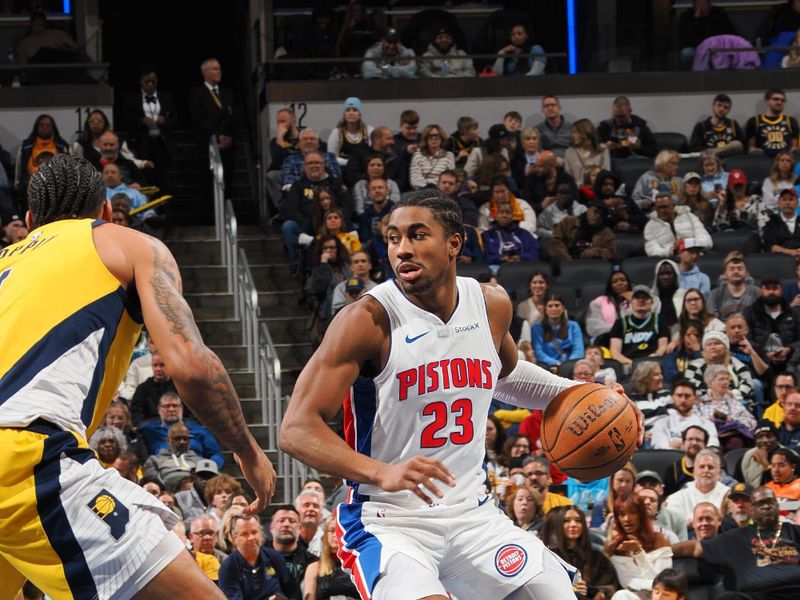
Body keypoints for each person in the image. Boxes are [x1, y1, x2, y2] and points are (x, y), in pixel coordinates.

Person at [280, 189, 644, 599]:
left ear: (455, 243)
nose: (402, 250)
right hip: (390, 520)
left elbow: (505, 376)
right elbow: (296, 429)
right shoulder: (366, 319)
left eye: (418, 235)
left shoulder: (489, 304)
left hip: (474, 516)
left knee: (555, 593)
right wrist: (381, 471)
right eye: (394, 238)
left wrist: (593, 396)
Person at [0, 154, 275, 599]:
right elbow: (189, 366)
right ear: (106, 212)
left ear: (31, 222)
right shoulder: (127, 244)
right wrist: (246, 449)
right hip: (26, 455)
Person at [671, 486, 800, 598]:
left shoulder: (794, 531)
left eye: (770, 502)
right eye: (760, 504)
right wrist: (661, 550)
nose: (766, 507)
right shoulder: (738, 537)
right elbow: (695, 548)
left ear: (777, 505)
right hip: (757, 596)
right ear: (752, 510)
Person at [539, 506, 620, 600]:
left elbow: (611, 587)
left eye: (578, 520)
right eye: (566, 520)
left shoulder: (597, 558)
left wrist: (592, 591)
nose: (573, 524)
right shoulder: (550, 557)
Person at [604, 493, 673, 599]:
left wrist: (638, 552)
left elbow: (662, 582)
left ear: (641, 514)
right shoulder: (617, 548)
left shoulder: (659, 540)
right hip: (634, 596)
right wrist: (651, 585)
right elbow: (627, 582)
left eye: (632, 512)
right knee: (621, 595)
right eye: (621, 514)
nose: (627, 519)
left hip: (662, 597)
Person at [120, 66, 177, 191]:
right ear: (141, 82)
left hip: (162, 143)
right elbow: (126, 120)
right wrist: (141, 121)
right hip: (143, 144)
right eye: (147, 82)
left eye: (153, 82)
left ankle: (165, 209)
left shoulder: (166, 97)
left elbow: (175, 119)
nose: (150, 85)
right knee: (147, 177)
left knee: (164, 179)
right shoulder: (131, 98)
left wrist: (165, 121)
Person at [218, 514, 300, 600]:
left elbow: (293, 591)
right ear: (234, 538)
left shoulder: (274, 557)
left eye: (254, 532)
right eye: (245, 534)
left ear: (261, 533)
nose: (251, 538)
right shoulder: (228, 567)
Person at [139, 392, 223, 467]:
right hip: (163, 470)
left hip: (195, 469)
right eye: (166, 406)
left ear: (181, 408)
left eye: (175, 406)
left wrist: (208, 468)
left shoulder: (199, 430)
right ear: (158, 409)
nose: (171, 409)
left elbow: (216, 454)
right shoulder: (148, 430)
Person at [188, 58, 235, 188]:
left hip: (227, 147)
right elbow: (198, 119)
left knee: (227, 183)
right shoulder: (197, 93)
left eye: (219, 68)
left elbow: (233, 118)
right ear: (205, 72)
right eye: (215, 69)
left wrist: (228, 136)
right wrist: (217, 135)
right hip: (206, 146)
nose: (219, 71)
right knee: (208, 186)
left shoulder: (228, 94)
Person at [745, 273, 800, 372]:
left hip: (790, 361)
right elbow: (747, 339)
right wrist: (763, 353)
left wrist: (788, 349)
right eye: (767, 288)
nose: (771, 292)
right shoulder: (751, 312)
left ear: (781, 290)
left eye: (775, 288)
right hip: (760, 361)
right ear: (761, 291)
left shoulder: (792, 313)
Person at [609, 285, 669, 370]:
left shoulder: (659, 320)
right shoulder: (620, 323)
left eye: (645, 298)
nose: (641, 300)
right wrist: (632, 364)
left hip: (651, 364)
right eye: (637, 298)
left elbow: (663, 346)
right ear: (631, 302)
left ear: (652, 302)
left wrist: (655, 357)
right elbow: (615, 352)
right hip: (628, 365)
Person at [664, 449, 730, 524]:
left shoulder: (729, 495)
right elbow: (674, 526)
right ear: (694, 472)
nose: (706, 470)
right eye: (702, 467)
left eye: (710, 467)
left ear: (720, 473)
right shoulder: (678, 497)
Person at [644, 186, 712, 257]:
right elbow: (652, 251)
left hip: (695, 256)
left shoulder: (689, 216)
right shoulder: (650, 226)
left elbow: (707, 241)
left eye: (665, 207)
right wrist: (672, 250)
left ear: (673, 206)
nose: (662, 211)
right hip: (670, 259)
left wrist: (686, 244)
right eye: (659, 208)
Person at [650, 380, 720, 450]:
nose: (683, 400)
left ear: (695, 398)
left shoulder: (707, 425)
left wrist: (677, 445)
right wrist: (695, 446)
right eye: (679, 396)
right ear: (672, 398)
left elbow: (711, 449)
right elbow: (661, 452)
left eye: (687, 396)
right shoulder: (661, 424)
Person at [302, 516, 359, 600]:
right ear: (325, 535)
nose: (336, 535)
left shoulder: (358, 565)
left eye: (340, 531)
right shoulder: (314, 568)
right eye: (332, 531)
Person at [548, 200, 616, 264]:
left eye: (602, 214)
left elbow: (612, 254)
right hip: (566, 261)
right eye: (596, 211)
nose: (598, 216)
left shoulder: (607, 232)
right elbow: (555, 241)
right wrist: (568, 261)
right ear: (588, 210)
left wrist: (596, 252)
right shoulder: (568, 222)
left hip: (592, 265)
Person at [14, 114, 71, 191]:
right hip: (31, 187)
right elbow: (19, 172)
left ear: (53, 128)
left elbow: (70, 170)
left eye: (48, 125)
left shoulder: (63, 147)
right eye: (41, 125)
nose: (45, 127)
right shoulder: (26, 147)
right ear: (36, 128)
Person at [596, 96, 658, 160]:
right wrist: (604, 147)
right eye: (616, 116)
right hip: (612, 161)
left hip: (634, 161)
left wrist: (639, 147)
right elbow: (594, 147)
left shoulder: (641, 127)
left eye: (622, 116)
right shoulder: (605, 127)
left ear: (630, 111)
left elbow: (654, 152)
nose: (618, 120)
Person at [481, 198, 539, 265]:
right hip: (497, 266)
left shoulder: (523, 233)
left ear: (513, 216)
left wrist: (520, 257)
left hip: (521, 263)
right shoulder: (487, 235)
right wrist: (500, 258)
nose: (504, 215)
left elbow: (534, 252)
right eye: (501, 212)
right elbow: (484, 256)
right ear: (496, 215)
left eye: (508, 213)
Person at [531, 294, 584, 369]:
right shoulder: (537, 328)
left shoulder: (573, 326)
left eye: (557, 305)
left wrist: (567, 365)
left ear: (563, 308)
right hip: (547, 367)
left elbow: (578, 350)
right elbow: (538, 352)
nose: (553, 309)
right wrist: (556, 363)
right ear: (545, 309)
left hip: (570, 366)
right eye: (550, 306)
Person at [713, 168, 770, 234]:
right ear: (729, 186)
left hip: (751, 236)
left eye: (740, 185)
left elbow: (764, 222)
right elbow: (717, 226)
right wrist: (722, 205)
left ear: (745, 184)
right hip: (729, 237)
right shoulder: (724, 202)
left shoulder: (756, 200)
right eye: (735, 186)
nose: (738, 188)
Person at [707, 251, 761, 321]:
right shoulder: (714, 295)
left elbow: (760, 319)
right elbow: (712, 321)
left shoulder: (757, 293)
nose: (736, 271)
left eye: (740, 268)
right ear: (725, 273)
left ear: (747, 273)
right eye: (732, 269)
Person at [745, 88, 799, 156]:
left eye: (782, 100)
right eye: (775, 99)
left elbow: (793, 148)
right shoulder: (754, 121)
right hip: (762, 160)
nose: (779, 102)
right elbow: (751, 149)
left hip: (785, 161)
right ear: (767, 101)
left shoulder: (791, 121)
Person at [586, 270, 633, 345]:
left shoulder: (637, 300)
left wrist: (633, 300)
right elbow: (593, 328)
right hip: (607, 340)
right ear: (610, 285)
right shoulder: (598, 302)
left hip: (633, 339)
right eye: (615, 281)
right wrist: (619, 329)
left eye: (623, 280)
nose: (619, 283)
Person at [14, 10, 78, 65]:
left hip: (56, 70)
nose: (38, 27)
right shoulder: (25, 43)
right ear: (31, 25)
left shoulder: (56, 35)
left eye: (41, 24)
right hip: (36, 72)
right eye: (35, 24)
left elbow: (74, 47)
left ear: (45, 24)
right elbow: (22, 63)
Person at [327, 97, 373, 168]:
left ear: (360, 114)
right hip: (343, 170)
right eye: (348, 110)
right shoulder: (336, 133)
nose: (351, 113)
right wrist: (350, 162)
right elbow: (331, 158)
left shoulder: (369, 131)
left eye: (355, 110)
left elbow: (373, 154)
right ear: (344, 114)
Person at [590, 463, 637, 529]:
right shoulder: (600, 506)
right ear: (612, 481)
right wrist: (606, 525)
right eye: (620, 480)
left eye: (628, 481)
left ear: (633, 483)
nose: (623, 485)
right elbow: (594, 534)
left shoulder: (638, 505)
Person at [563, 118, 610, 185]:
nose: (573, 136)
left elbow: (606, 173)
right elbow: (568, 177)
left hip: (597, 188)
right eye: (572, 133)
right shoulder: (569, 152)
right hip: (578, 190)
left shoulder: (603, 150)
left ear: (586, 132)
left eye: (575, 132)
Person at [410, 124, 456, 190]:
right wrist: (428, 188)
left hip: (442, 191)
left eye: (437, 136)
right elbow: (415, 179)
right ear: (426, 138)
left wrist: (437, 188)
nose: (434, 139)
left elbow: (450, 177)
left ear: (441, 138)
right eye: (430, 136)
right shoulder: (418, 155)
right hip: (421, 190)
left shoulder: (449, 156)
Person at [763, 187, 800, 257]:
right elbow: (770, 246)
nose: (788, 202)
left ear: (797, 203)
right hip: (780, 261)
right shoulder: (771, 223)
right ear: (779, 203)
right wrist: (789, 252)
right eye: (784, 199)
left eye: (791, 199)